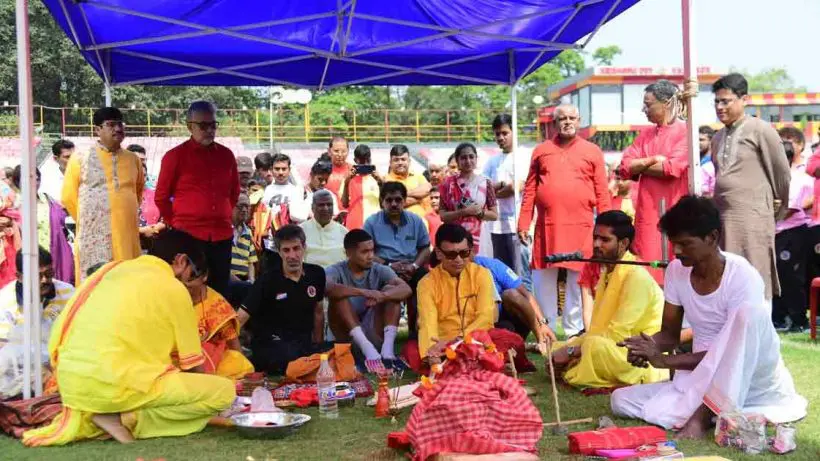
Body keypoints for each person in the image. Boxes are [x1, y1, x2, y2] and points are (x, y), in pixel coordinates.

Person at [611, 196, 807, 438]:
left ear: (712, 238)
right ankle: (716, 411)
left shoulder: (743, 276)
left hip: (748, 377)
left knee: (748, 314)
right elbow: (669, 335)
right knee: (619, 400)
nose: (677, 251)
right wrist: (647, 346)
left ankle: (703, 417)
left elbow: (733, 355)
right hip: (699, 372)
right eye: (673, 243)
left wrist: (665, 362)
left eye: (685, 243)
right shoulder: (676, 270)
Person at [22, 230, 236, 446]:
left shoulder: (109, 269)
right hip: (113, 385)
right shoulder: (173, 288)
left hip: (70, 382)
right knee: (223, 391)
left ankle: (105, 413)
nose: (194, 282)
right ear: (181, 261)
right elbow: (193, 368)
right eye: (194, 271)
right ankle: (126, 418)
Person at [518, 104, 610, 337]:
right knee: (543, 278)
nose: (567, 122)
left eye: (572, 118)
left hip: (582, 226)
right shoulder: (541, 150)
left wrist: (608, 225)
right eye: (562, 118)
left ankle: (573, 330)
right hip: (547, 226)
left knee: (578, 278)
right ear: (554, 123)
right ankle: (545, 328)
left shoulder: (593, 151)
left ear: (579, 121)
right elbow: (530, 190)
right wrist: (523, 222)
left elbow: (602, 191)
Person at [552, 211, 667, 389]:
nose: (597, 244)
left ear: (624, 243)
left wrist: (572, 352)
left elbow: (617, 335)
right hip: (612, 347)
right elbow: (599, 328)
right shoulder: (608, 271)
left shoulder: (636, 277)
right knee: (568, 344)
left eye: (605, 240)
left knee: (590, 345)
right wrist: (571, 348)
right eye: (595, 238)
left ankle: (575, 365)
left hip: (639, 357)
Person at [710, 73, 791, 303]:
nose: (719, 107)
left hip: (754, 217)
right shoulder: (717, 138)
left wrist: (778, 209)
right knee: (729, 278)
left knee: (755, 277)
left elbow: (782, 174)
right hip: (724, 218)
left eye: (725, 101)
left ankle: (760, 334)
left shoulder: (760, 129)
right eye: (716, 101)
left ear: (744, 99)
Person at [155, 101, 240, 298]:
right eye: (203, 126)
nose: (209, 130)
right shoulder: (174, 156)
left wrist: (224, 214)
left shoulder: (226, 156)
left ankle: (217, 328)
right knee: (188, 292)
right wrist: (176, 224)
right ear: (189, 126)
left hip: (221, 236)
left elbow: (234, 192)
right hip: (188, 235)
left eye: (213, 125)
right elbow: (161, 197)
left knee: (219, 291)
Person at [618, 80, 689, 284]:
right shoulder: (645, 134)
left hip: (674, 212)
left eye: (648, 104)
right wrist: (651, 160)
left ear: (666, 103)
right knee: (647, 275)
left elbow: (671, 169)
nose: (644, 109)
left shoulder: (685, 132)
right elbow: (624, 167)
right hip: (647, 217)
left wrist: (640, 166)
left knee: (675, 274)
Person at [62, 107, 144, 283]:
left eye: (120, 124)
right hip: (94, 237)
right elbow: (68, 196)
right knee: (95, 287)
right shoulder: (80, 158)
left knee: (128, 284)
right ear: (97, 130)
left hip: (126, 235)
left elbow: (137, 192)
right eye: (111, 124)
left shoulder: (133, 159)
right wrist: (92, 220)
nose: (118, 129)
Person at [239, 225, 331, 375]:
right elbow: (240, 318)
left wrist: (318, 346)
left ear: (304, 248)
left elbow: (318, 312)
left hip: (303, 343)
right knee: (288, 356)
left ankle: (312, 361)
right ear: (279, 252)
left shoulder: (317, 273)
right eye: (286, 250)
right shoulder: (267, 280)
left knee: (340, 349)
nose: (292, 255)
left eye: (296, 249)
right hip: (273, 343)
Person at [325, 229, 412, 369]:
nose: (371, 256)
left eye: (372, 250)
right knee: (339, 295)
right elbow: (327, 288)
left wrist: (382, 296)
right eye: (364, 252)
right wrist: (364, 292)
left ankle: (387, 352)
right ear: (348, 253)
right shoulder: (335, 270)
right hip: (344, 337)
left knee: (391, 291)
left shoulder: (379, 269)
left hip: (373, 332)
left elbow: (406, 289)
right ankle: (367, 350)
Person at [0, 248, 74, 398]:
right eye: (37, 276)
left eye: (49, 274)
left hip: (62, 362)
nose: (45, 280)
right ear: (19, 277)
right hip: (18, 372)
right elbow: (3, 344)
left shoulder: (68, 292)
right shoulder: (5, 300)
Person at [364, 182, 431, 337]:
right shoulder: (371, 222)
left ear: (405, 200)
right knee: (386, 285)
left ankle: (416, 333)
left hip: (411, 267)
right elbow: (366, 252)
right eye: (389, 200)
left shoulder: (416, 221)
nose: (394, 204)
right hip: (383, 268)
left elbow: (425, 249)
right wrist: (389, 266)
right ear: (381, 201)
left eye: (398, 200)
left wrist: (414, 266)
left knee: (425, 282)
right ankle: (383, 336)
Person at [183, 265, 254, 380]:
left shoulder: (218, 307)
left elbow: (235, 350)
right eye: (179, 279)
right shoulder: (172, 297)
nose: (186, 285)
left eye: (190, 280)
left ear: (204, 277)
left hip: (214, 368)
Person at [771, 136, 812, 333]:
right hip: (776, 233)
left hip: (793, 233)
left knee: (792, 277)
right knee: (777, 275)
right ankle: (779, 317)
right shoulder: (772, 178)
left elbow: (789, 208)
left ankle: (799, 320)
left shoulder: (794, 179)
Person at [12, 167, 74, 284]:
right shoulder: (13, 205)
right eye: (30, 178)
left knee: (56, 287)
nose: (35, 182)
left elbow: (62, 219)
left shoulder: (48, 200)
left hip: (54, 253)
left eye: (37, 178)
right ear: (18, 181)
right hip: (29, 257)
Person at [485, 113, 529, 269]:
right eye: (497, 134)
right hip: (497, 227)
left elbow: (516, 187)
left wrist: (494, 192)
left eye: (505, 133)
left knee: (521, 274)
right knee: (502, 273)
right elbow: (483, 188)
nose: (501, 137)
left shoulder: (523, 156)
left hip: (517, 225)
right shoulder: (492, 161)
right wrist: (502, 186)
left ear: (513, 132)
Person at [439, 143, 498, 251]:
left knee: (477, 266)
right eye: (463, 157)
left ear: (476, 159)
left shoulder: (485, 183)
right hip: (453, 238)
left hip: (479, 237)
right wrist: (464, 212)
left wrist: (479, 213)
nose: (468, 161)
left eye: (471, 157)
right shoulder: (447, 184)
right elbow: (442, 216)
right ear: (457, 160)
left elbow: (494, 215)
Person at [129, 144, 164, 251]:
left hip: (156, 247)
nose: (140, 164)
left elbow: (166, 217)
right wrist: (141, 230)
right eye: (137, 160)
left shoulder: (156, 192)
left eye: (143, 160)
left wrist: (157, 227)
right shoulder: (120, 197)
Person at [300, 190, 348, 268]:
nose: (326, 208)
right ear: (312, 208)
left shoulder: (344, 232)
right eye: (321, 205)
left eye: (329, 205)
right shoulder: (301, 231)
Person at [341, 144, 382, 230]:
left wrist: (381, 183)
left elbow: (384, 203)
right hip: (354, 224)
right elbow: (344, 204)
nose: (365, 164)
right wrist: (346, 183)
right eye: (361, 162)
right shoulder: (348, 179)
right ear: (355, 160)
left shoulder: (378, 179)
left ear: (370, 159)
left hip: (374, 224)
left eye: (367, 161)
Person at [385, 144, 431, 220]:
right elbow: (395, 203)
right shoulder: (386, 180)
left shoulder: (418, 176)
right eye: (396, 160)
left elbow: (428, 189)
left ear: (409, 161)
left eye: (403, 159)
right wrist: (420, 196)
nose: (400, 162)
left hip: (424, 223)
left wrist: (402, 193)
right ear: (390, 162)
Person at [261, 153, 307, 226]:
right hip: (271, 235)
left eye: (284, 169)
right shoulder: (266, 191)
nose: (280, 172)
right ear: (271, 170)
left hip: (290, 233)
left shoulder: (295, 191)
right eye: (277, 169)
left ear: (289, 170)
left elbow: (301, 217)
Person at [698, 126, 716, 197]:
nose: (697, 142)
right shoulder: (694, 161)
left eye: (701, 140)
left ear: (711, 141)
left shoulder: (714, 163)